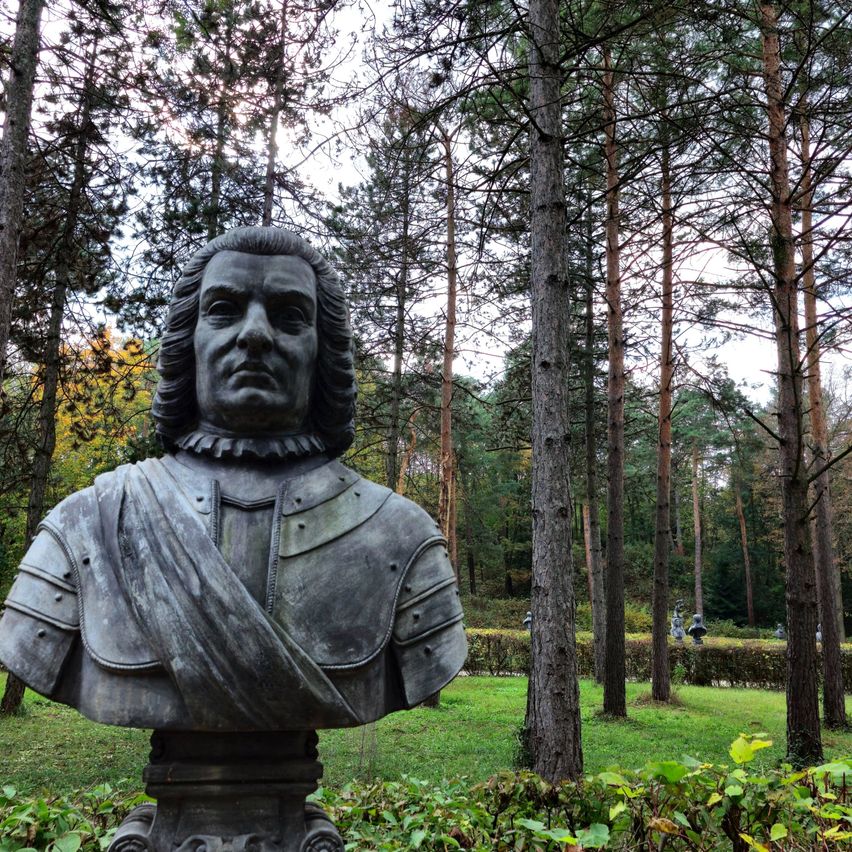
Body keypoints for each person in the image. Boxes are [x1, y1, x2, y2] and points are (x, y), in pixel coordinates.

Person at [0, 226, 467, 732]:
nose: (256, 334)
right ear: (188, 341)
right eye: (223, 309)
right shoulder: (87, 525)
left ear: (323, 352)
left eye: (291, 316)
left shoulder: (400, 536)